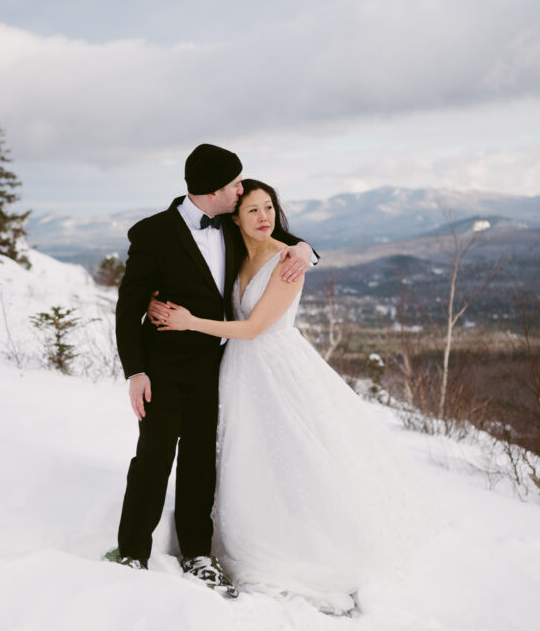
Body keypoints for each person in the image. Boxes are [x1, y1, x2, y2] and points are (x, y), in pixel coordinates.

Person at [153, 179, 437, 613]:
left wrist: (190, 323)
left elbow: (252, 328)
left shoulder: (286, 262)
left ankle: (304, 550)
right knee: (244, 458)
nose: (264, 216)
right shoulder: (235, 253)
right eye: (253, 210)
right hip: (239, 371)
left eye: (269, 208)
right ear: (235, 218)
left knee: (293, 454)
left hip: (275, 365)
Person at [110, 145, 315, 596]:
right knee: (154, 457)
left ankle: (198, 553)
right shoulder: (152, 233)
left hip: (215, 367)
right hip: (162, 369)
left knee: (202, 461)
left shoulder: (228, 223)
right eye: (235, 185)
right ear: (212, 191)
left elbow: (275, 236)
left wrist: (305, 249)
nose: (241, 191)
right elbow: (127, 308)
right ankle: (131, 551)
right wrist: (136, 372)